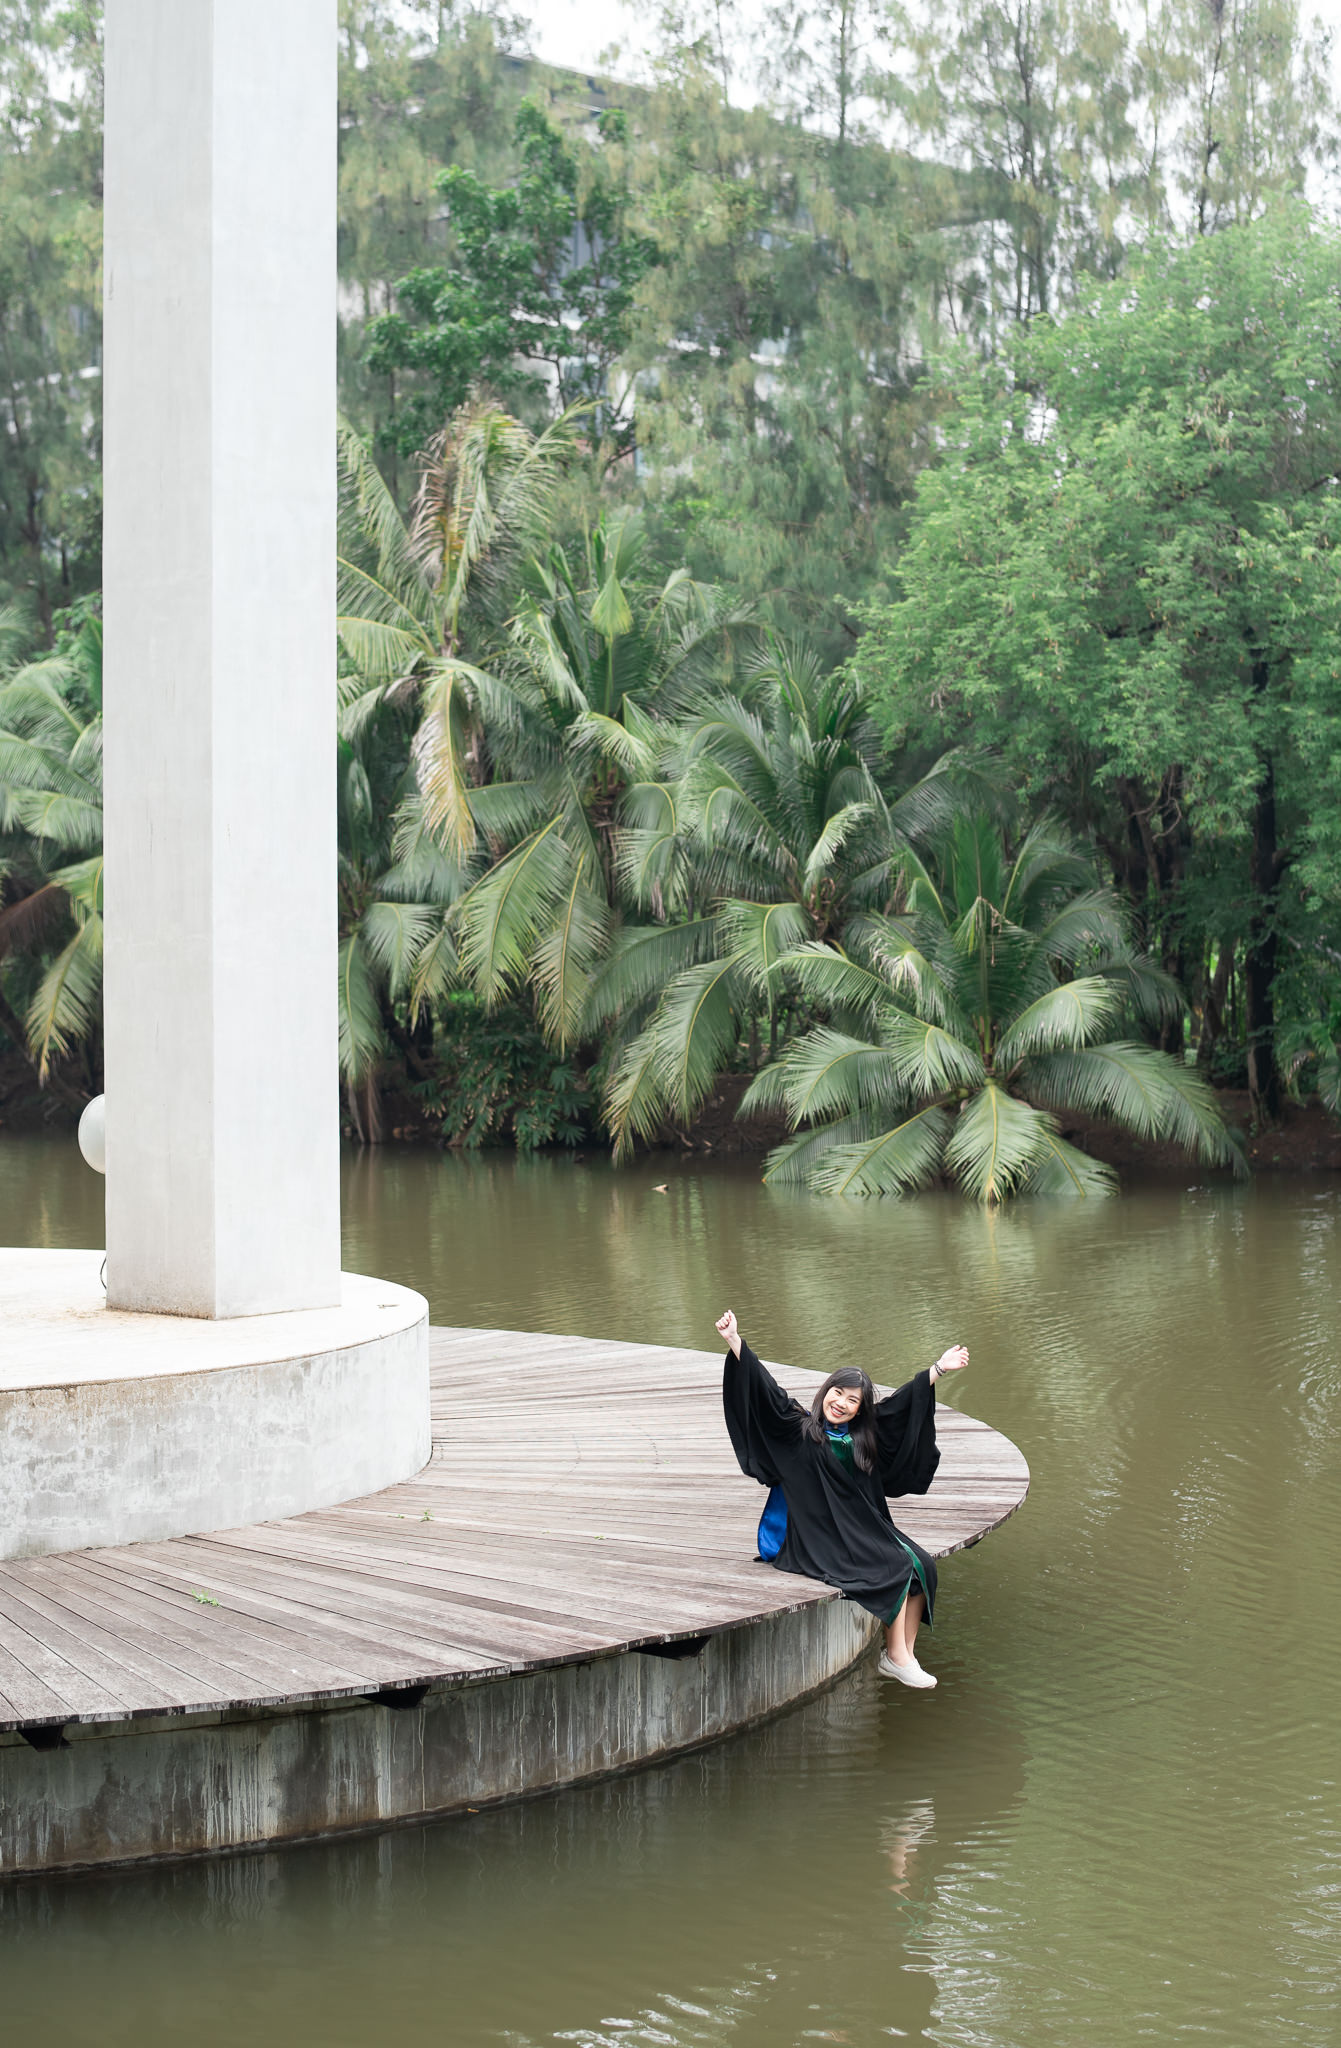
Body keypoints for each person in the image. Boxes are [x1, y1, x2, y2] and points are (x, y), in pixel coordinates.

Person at [715, 1309, 969, 1690]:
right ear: (826, 1392)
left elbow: (901, 1405)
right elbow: (765, 1390)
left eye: (853, 1400)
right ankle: (897, 1656)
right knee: (894, 1566)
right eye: (838, 1393)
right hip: (812, 1532)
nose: (842, 1403)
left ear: (860, 1408)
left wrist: (938, 1369)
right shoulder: (799, 1428)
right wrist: (736, 1341)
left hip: (857, 1524)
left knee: (923, 1566)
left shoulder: (863, 1435)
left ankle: (902, 1656)